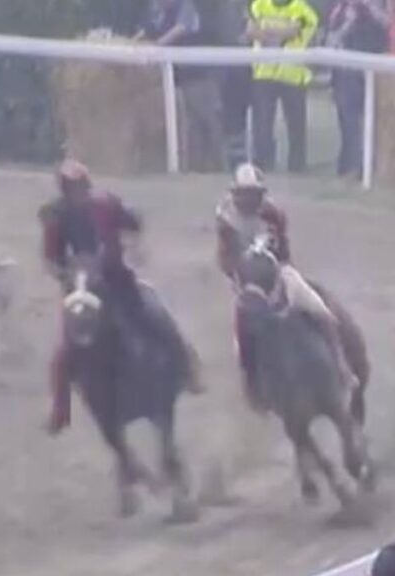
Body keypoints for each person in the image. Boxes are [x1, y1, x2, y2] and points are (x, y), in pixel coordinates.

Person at [40, 160, 188, 432]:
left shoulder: (107, 205)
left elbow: (134, 222)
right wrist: (65, 275)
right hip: (79, 292)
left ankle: (186, 369)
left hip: (117, 281)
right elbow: (50, 257)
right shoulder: (56, 217)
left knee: (156, 317)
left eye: (80, 187)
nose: (77, 193)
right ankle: (60, 409)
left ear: (87, 185)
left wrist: (133, 244)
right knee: (65, 350)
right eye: (70, 188)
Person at [215, 163, 358, 409]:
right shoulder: (226, 219)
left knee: (321, 310)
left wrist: (283, 272)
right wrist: (240, 278)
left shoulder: (273, 213)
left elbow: (284, 249)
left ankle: (341, 366)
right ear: (236, 194)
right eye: (245, 194)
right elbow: (224, 259)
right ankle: (253, 386)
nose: (249, 200)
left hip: (278, 274)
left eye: (253, 194)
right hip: (248, 284)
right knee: (241, 339)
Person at [135, 0, 223, 172]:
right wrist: (129, 45)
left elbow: (180, 29)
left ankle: (218, 166)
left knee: (208, 121)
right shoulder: (155, 9)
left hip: (198, 75)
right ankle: (195, 167)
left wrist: (154, 47)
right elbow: (145, 30)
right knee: (189, 124)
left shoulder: (187, 7)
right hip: (174, 77)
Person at [249, 0, 319, 173]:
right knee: (262, 126)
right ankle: (262, 168)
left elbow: (293, 30)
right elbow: (251, 31)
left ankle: (297, 170)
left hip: (292, 77)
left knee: (296, 128)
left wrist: (266, 32)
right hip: (264, 74)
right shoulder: (259, 5)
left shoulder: (303, 10)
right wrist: (280, 34)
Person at [327, 0, 390, 179]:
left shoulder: (380, 4)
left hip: (377, 69)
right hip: (346, 70)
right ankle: (350, 166)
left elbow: (387, 25)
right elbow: (332, 38)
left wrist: (369, 7)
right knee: (348, 121)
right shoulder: (341, 7)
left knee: (377, 120)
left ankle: (374, 167)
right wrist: (348, 21)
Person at [220, 0, 256, 170]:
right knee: (232, 116)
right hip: (229, 68)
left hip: (250, 67)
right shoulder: (229, 7)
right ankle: (235, 160)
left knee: (245, 116)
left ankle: (250, 159)